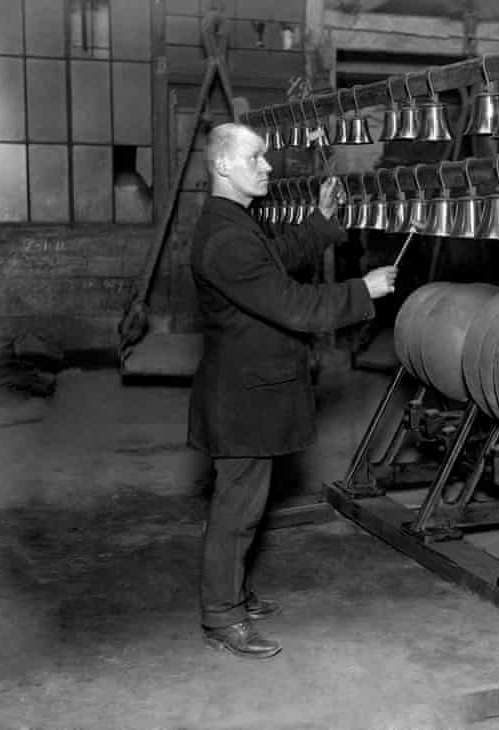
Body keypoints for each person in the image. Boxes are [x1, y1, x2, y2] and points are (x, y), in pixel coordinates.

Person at [188, 122, 397, 659]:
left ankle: (232, 594)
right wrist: (362, 290)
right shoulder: (227, 237)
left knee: (246, 505)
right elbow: (293, 305)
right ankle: (222, 618)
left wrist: (322, 222)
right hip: (242, 397)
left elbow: (273, 261)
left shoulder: (232, 223)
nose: (268, 167)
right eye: (256, 158)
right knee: (238, 510)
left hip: (249, 389)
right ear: (223, 166)